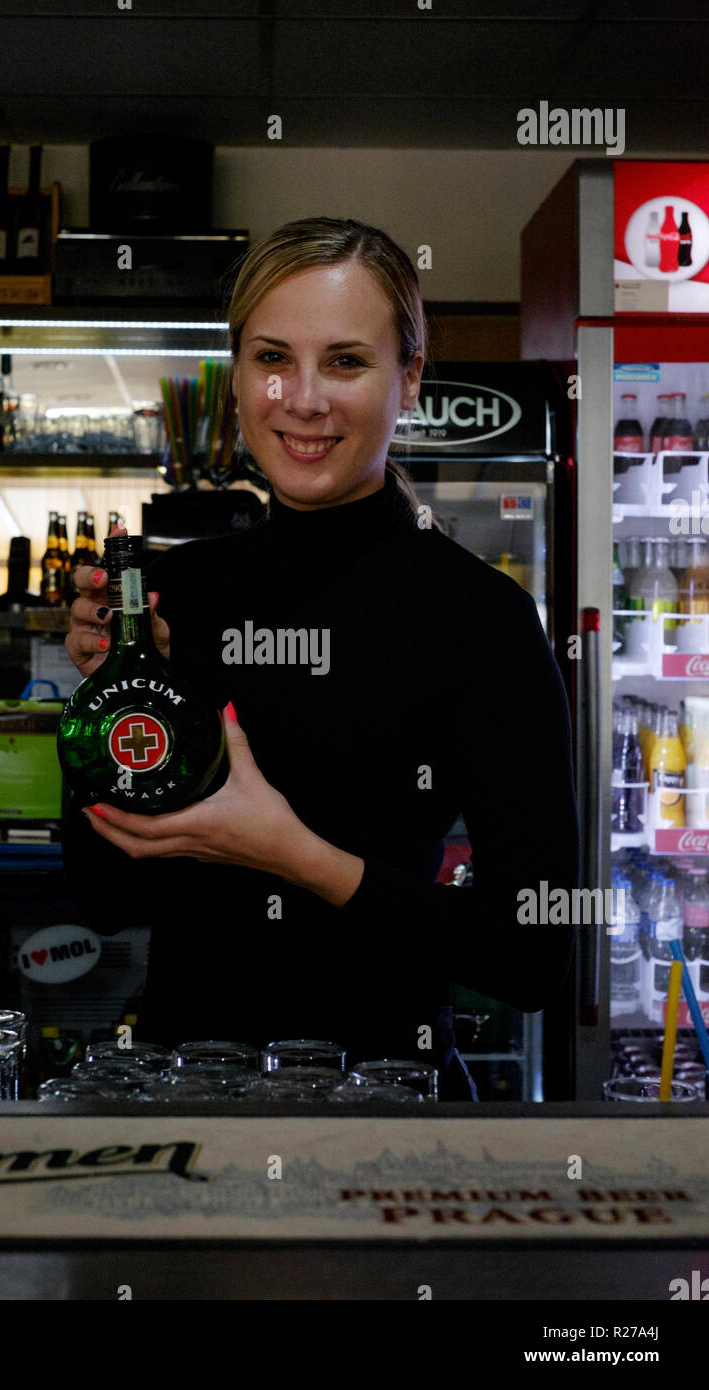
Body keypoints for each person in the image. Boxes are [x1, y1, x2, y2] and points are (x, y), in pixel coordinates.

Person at [61, 216, 578, 1100]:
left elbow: (532, 956)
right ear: (237, 379)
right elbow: (102, 892)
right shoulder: (175, 594)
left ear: (408, 376)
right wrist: (108, 709)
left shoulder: (482, 618)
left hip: (387, 1112)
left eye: (345, 361)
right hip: (189, 1101)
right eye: (272, 359)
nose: (303, 399)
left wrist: (294, 856)